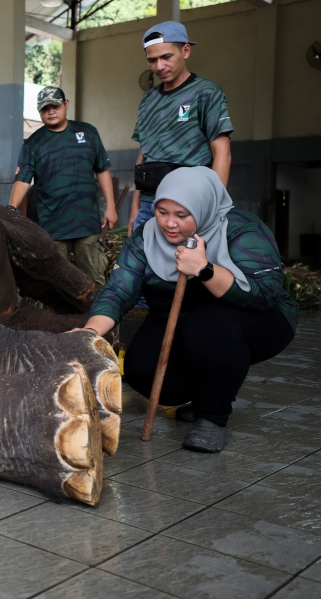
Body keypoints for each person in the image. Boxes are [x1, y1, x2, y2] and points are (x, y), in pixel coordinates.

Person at [74, 167, 296, 453]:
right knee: (142, 369)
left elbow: (264, 294)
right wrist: (91, 332)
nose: (169, 224)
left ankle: (212, 416)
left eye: (182, 215)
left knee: (206, 327)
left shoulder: (241, 228)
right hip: (177, 317)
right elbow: (119, 289)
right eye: (162, 211)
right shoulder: (146, 236)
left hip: (254, 317)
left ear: (202, 208)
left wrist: (205, 270)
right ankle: (207, 391)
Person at [128, 21, 233, 237]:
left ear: (185, 50)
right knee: (141, 268)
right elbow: (144, 154)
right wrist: (134, 209)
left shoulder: (206, 92)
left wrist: (212, 209)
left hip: (188, 208)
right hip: (149, 206)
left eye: (166, 57)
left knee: (182, 268)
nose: (159, 66)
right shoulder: (148, 99)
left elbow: (222, 153)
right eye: (152, 60)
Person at [6, 86, 117, 286]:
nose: (51, 111)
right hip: (53, 227)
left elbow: (102, 170)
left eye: (55, 106)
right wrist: (11, 209)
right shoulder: (33, 143)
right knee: (58, 283)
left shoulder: (87, 133)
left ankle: (99, 317)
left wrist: (111, 206)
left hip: (86, 223)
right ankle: (64, 318)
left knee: (95, 280)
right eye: (45, 108)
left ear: (66, 104)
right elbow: (23, 179)